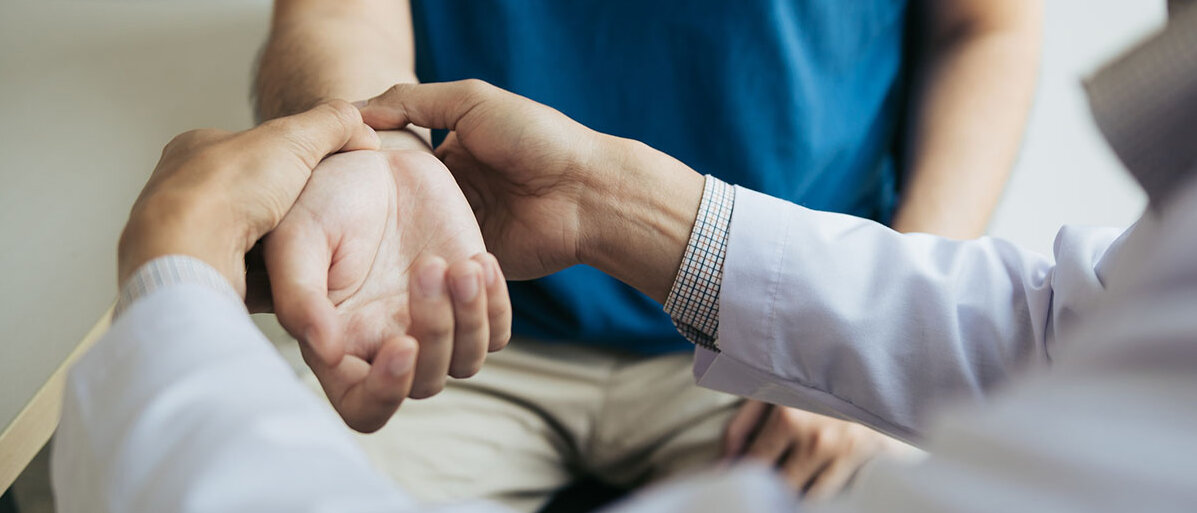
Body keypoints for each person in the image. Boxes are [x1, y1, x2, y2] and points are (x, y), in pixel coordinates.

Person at [54, 9, 1197, 511]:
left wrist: (175, 289)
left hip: (769, 389)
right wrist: (608, 204)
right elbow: (1052, 321)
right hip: (459, 315)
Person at [253, 1, 1042, 505]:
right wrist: (371, 156)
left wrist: (870, 329)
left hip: (780, 331)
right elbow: (335, 14)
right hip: (449, 311)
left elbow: (986, 25)